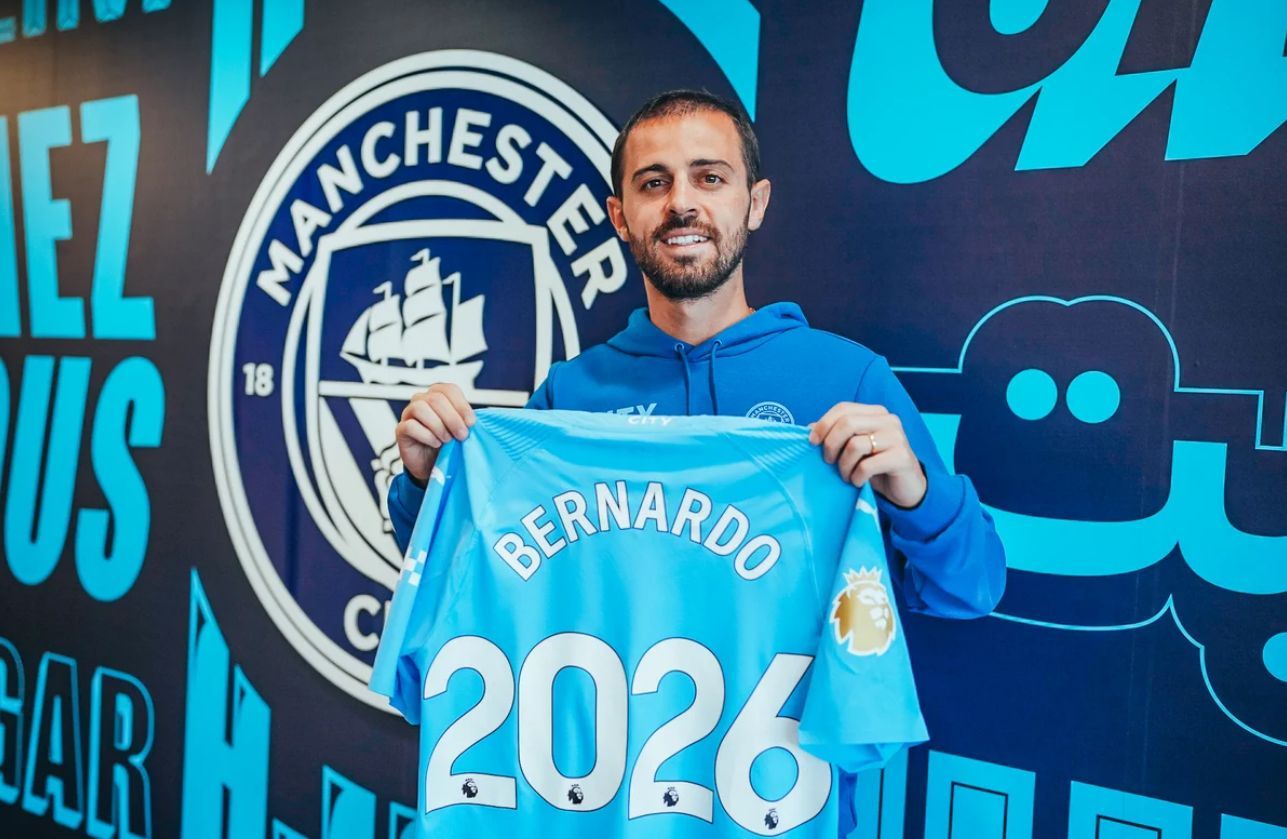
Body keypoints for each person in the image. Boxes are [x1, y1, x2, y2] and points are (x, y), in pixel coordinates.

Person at [386, 90, 1005, 619]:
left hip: (786, 758)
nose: (681, 202)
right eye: (653, 183)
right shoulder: (568, 396)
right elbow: (473, 581)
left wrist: (915, 491)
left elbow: (970, 589)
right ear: (620, 217)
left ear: (755, 203)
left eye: (709, 177)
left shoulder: (849, 379)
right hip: (601, 757)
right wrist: (423, 479)